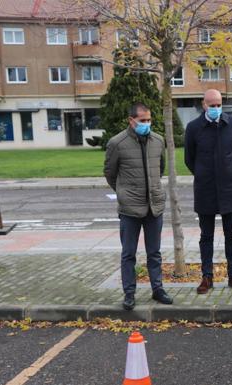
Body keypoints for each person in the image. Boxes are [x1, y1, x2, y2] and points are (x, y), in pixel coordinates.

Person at [104, 102, 173, 310]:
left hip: (154, 206)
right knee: (128, 253)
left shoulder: (158, 141)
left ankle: (157, 289)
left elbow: (159, 168)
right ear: (131, 120)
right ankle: (129, 294)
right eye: (142, 120)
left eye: (149, 120)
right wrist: (123, 192)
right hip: (130, 208)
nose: (146, 124)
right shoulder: (117, 143)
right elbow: (110, 173)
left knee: (155, 252)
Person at [184, 89, 232, 294]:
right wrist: (203, 173)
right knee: (206, 236)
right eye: (212, 105)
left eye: (219, 105)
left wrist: (227, 171)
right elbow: (189, 159)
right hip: (206, 189)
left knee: (231, 234)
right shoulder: (193, 128)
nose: (216, 109)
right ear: (204, 105)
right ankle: (207, 277)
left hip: (230, 189)